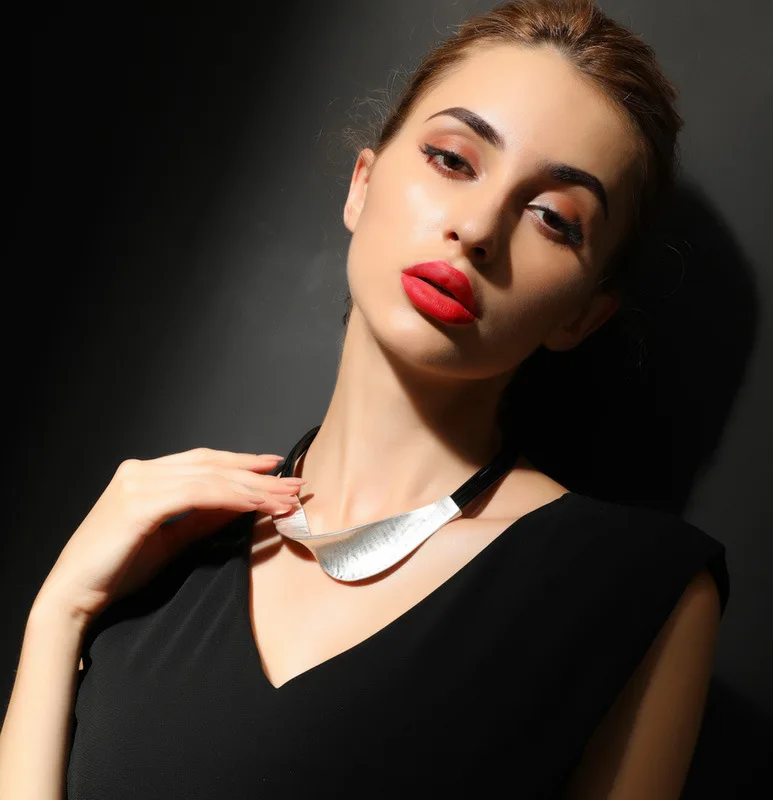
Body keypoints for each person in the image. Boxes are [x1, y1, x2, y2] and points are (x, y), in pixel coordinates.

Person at [1, 0, 730, 796]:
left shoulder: (632, 590)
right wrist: (59, 611)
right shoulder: (162, 549)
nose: (478, 228)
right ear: (363, 184)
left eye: (553, 218)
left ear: (583, 315)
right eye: (453, 161)